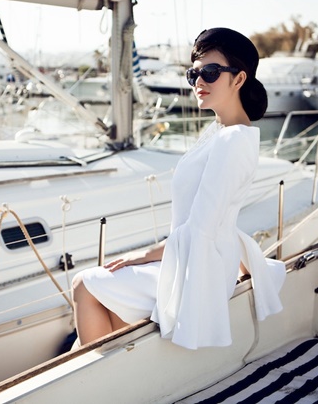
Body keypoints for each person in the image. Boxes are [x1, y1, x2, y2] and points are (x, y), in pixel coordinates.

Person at [72, 28, 286, 350]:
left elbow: (203, 226)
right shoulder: (223, 132)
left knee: (83, 285)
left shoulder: (232, 140)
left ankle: (93, 376)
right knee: (109, 308)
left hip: (197, 266)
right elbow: (223, 216)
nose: (199, 81)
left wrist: (143, 255)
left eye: (210, 72)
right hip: (193, 256)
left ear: (239, 79)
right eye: (193, 74)